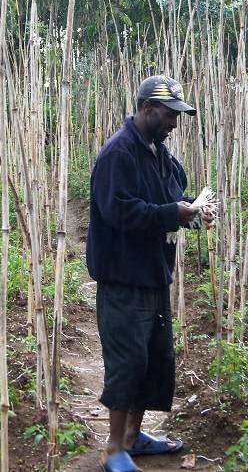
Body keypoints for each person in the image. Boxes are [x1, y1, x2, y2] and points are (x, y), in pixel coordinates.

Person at [86, 75, 212, 472]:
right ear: (147, 109)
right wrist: (176, 213)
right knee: (127, 363)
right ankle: (113, 450)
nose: (174, 122)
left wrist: (194, 212)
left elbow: (169, 199)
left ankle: (133, 437)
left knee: (152, 358)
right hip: (123, 277)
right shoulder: (117, 154)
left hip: (154, 272)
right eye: (169, 114)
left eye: (177, 115)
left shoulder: (159, 152)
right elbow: (120, 212)